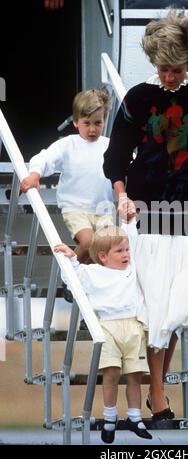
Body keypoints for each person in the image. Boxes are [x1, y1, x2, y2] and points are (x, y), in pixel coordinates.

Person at [103, 8, 188, 421]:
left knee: (176, 311)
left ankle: (156, 392)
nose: (169, 77)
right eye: (163, 68)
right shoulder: (139, 97)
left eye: (176, 69)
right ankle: (158, 396)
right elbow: (116, 158)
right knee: (154, 309)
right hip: (145, 211)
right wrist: (121, 195)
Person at [54, 200, 152, 444]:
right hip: (107, 327)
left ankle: (135, 416)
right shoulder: (93, 273)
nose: (126, 255)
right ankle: (110, 417)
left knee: (134, 376)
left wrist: (129, 222)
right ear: (103, 256)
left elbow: (133, 239)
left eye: (126, 250)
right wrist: (70, 258)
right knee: (110, 374)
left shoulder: (132, 269)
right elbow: (72, 277)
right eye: (120, 252)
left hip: (133, 326)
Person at [20, 89, 115, 308]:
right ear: (75, 122)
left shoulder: (109, 145)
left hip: (103, 209)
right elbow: (44, 157)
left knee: (106, 251)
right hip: (76, 208)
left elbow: (131, 164)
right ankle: (69, 278)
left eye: (98, 123)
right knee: (89, 241)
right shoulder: (68, 145)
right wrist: (35, 173)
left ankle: (85, 290)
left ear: (105, 121)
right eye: (87, 123)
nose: (92, 129)